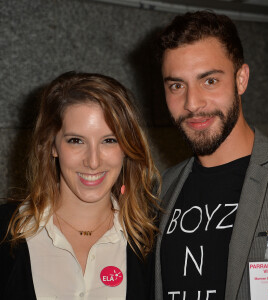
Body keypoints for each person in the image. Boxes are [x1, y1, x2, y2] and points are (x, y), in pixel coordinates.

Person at [154, 10, 268, 300]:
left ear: (241, 79)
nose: (192, 104)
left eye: (209, 81)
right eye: (176, 85)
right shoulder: (160, 191)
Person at [0, 71, 160, 300]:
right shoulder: (5, 232)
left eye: (109, 140)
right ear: (52, 146)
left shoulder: (152, 241)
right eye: (76, 141)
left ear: (126, 147)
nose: (93, 161)